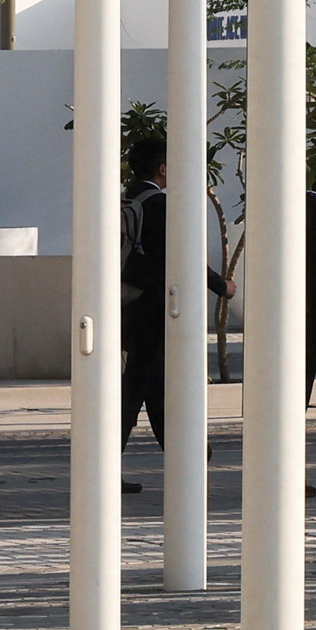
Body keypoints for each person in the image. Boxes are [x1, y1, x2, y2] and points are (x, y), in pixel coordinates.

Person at [114, 111, 173, 490]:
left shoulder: (125, 199)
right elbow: (175, 256)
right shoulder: (157, 204)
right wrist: (220, 285)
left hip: (124, 299)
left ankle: (185, 452)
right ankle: (104, 463)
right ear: (163, 168)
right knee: (137, 384)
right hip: (150, 306)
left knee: (152, 383)